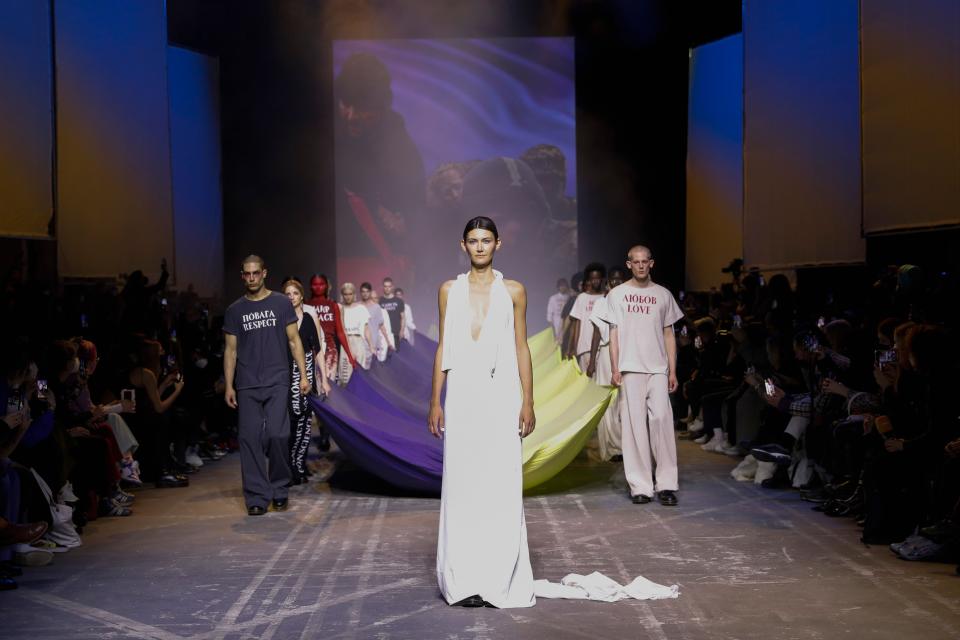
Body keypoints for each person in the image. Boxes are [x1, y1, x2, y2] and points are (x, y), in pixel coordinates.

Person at [428, 216, 536, 609]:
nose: (479, 247)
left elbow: (521, 346)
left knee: (500, 484)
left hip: (502, 394)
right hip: (463, 397)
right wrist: (435, 400)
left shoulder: (515, 291)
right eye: (472, 241)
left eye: (485, 240)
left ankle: (497, 577)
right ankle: (465, 579)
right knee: (462, 485)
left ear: (498, 244)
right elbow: (443, 346)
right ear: (463, 246)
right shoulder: (448, 291)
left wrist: (528, 400)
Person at [223, 256, 309, 516]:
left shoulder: (281, 303)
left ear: (264, 274)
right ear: (242, 275)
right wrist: (228, 385)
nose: (251, 278)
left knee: (278, 435)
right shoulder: (235, 310)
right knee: (249, 439)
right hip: (247, 383)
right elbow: (230, 350)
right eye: (247, 274)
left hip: (277, 379)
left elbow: (294, 340)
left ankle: (280, 489)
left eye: (255, 273)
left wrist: (304, 376)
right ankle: (257, 497)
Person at [608, 246, 684, 506]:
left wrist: (672, 370)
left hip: (658, 368)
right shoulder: (617, 295)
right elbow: (614, 334)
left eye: (645, 262)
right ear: (628, 264)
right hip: (630, 368)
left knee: (662, 421)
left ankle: (666, 484)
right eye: (635, 262)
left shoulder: (663, 294)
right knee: (634, 426)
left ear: (651, 263)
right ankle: (640, 486)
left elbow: (668, 334)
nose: (640, 266)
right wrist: (615, 367)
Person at [282, 280, 331, 485]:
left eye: (294, 293)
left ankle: (299, 465)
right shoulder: (280, 319)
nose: (291, 296)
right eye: (287, 293)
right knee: (293, 421)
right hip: (288, 375)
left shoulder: (310, 318)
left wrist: (324, 379)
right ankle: (291, 467)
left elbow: (317, 351)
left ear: (302, 296)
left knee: (304, 422)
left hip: (306, 375)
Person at [586, 266, 626, 461]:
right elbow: (595, 334)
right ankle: (612, 448)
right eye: (614, 280)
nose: (617, 283)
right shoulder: (601, 304)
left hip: (626, 355)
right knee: (608, 401)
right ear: (609, 282)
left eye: (620, 280)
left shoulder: (628, 302)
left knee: (622, 401)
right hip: (604, 355)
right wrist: (591, 361)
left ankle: (625, 446)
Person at [565, 264, 606, 371]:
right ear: (588, 280)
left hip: (602, 347)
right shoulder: (582, 298)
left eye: (598, 278)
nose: (595, 281)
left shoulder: (606, 298)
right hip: (585, 347)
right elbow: (576, 324)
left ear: (602, 279)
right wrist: (572, 347)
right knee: (587, 382)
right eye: (593, 279)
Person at [337, 283, 374, 384]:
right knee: (345, 375)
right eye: (345, 294)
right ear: (342, 295)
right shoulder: (339, 308)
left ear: (354, 294)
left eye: (350, 294)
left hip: (358, 342)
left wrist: (371, 346)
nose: (348, 296)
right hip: (345, 342)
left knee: (359, 372)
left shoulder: (361, 308)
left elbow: (366, 329)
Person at [360, 283, 392, 361]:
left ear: (370, 292)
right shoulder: (357, 306)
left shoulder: (376, 307)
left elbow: (381, 326)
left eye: (367, 291)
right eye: (363, 292)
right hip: (360, 343)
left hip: (373, 343)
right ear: (360, 293)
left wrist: (388, 342)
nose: (365, 294)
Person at [379, 277, 406, 350]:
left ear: (392, 287)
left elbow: (403, 317)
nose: (387, 288)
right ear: (382, 287)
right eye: (385, 286)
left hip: (396, 333)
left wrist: (402, 330)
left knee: (397, 357)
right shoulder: (379, 301)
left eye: (389, 286)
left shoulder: (399, 301)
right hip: (384, 335)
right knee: (384, 359)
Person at [546, 278, 571, 342]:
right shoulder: (553, 298)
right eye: (561, 286)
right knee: (557, 342)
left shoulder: (569, 298)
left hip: (566, 323)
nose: (563, 287)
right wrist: (553, 329)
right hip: (556, 323)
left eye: (564, 286)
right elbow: (549, 314)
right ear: (558, 287)